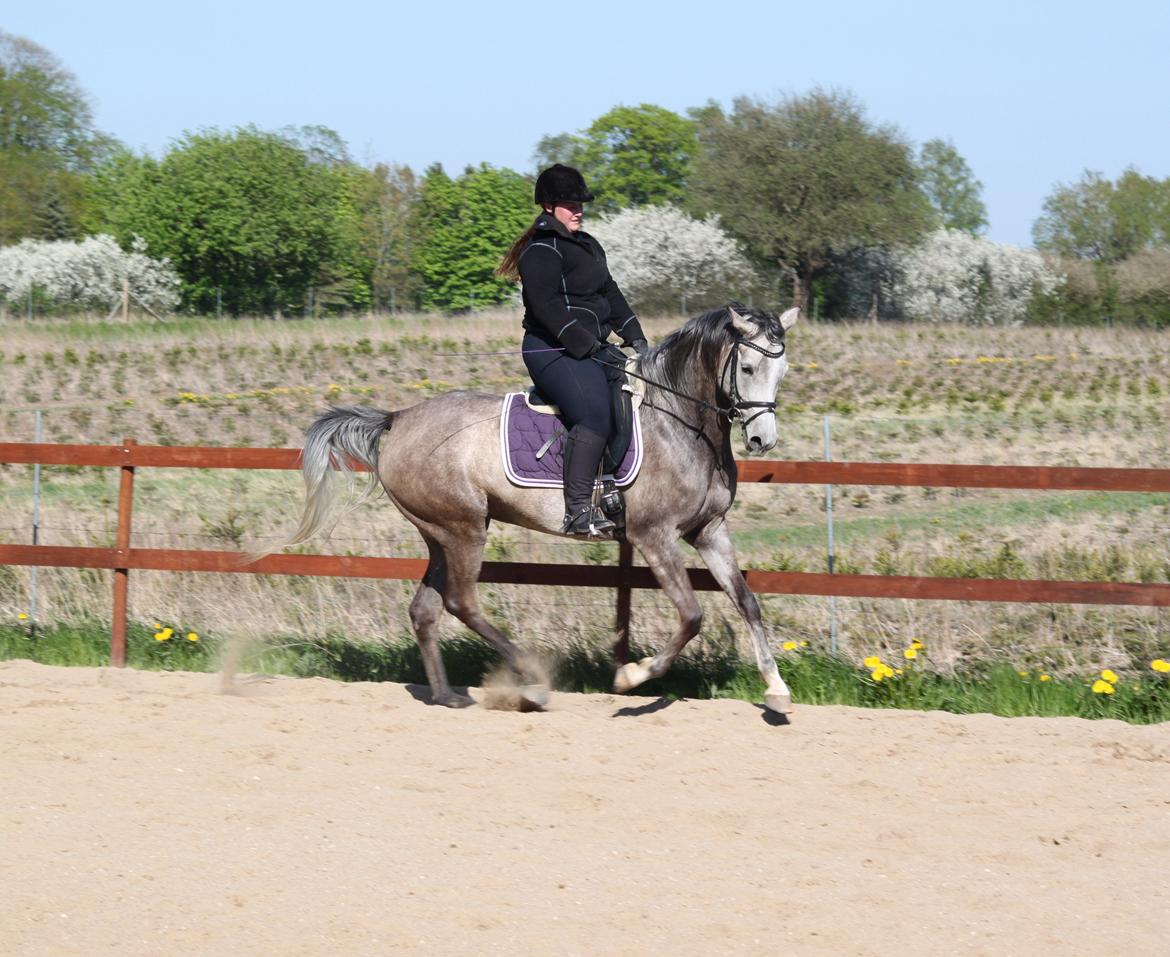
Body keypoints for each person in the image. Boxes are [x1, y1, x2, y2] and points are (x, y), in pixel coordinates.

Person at [498, 164, 649, 536]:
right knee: (595, 411)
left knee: (628, 393)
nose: (578, 209)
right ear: (549, 206)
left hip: (590, 348)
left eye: (580, 202)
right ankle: (578, 509)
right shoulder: (540, 250)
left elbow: (610, 293)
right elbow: (546, 306)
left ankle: (612, 484)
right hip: (550, 350)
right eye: (570, 203)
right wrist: (586, 346)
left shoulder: (589, 246)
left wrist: (636, 336)